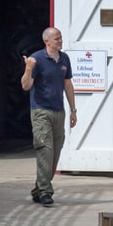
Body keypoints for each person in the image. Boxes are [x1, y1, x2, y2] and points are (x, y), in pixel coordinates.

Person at [20, 26, 77, 207]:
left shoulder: (64, 59)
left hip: (59, 111)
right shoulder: (36, 59)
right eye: (57, 39)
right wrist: (28, 69)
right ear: (47, 42)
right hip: (41, 111)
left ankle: (38, 189)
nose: (60, 41)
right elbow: (26, 86)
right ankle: (45, 191)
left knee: (55, 151)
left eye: (60, 38)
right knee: (45, 149)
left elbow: (68, 85)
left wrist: (73, 110)